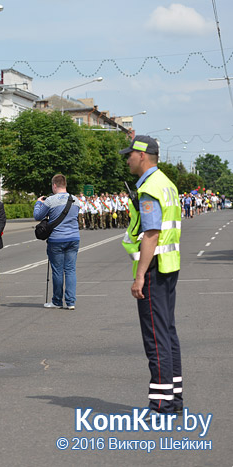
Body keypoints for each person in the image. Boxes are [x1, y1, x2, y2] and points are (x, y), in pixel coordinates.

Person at [120, 135, 183, 414]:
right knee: (167, 332)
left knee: (155, 337)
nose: (128, 159)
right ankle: (174, 397)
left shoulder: (150, 188)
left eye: (130, 155)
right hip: (169, 266)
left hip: (155, 268)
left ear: (142, 156)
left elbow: (151, 235)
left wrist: (140, 276)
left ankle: (161, 404)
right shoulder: (166, 184)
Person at [33, 174, 80, 310]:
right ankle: (71, 302)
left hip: (57, 240)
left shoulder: (50, 201)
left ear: (54, 185)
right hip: (73, 238)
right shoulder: (75, 200)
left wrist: (38, 203)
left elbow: (38, 216)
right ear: (65, 184)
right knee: (70, 270)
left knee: (58, 271)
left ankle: (57, 301)